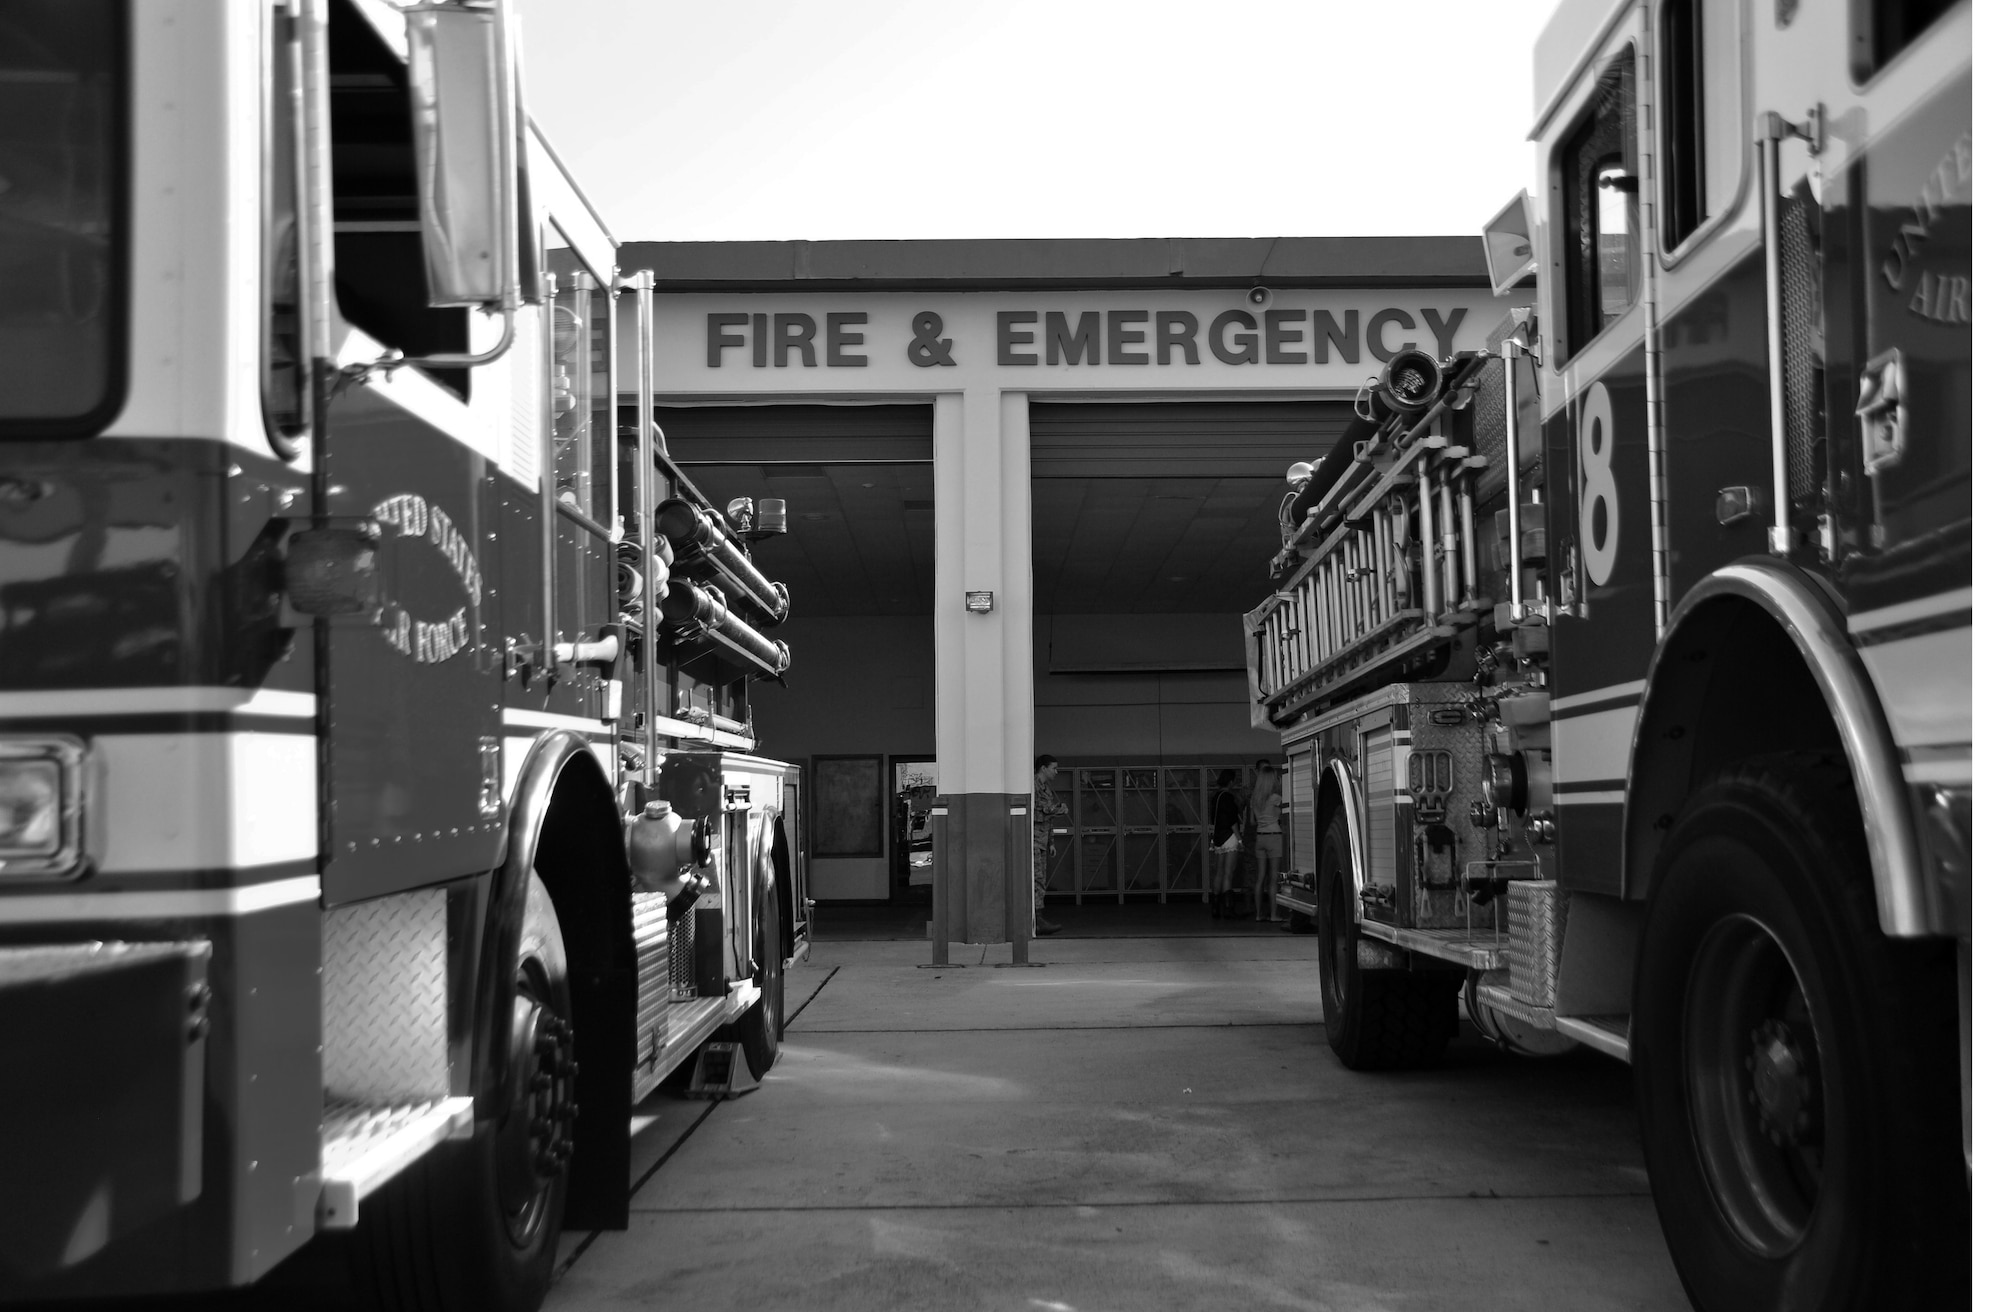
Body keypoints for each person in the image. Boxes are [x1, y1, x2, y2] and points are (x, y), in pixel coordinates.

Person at [1032, 754, 1068, 935]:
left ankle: (1038, 918)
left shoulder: (1045, 787)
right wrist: (1059, 808)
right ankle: (1037, 920)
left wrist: (1051, 841)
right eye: (1054, 768)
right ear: (1043, 768)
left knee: (1040, 880)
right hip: (1033, 841)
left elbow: (1048, 818)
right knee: (1037, 880)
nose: (1056, 771)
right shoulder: (1033, 786)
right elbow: (1042, 810)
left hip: (1042, 841)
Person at [1248, 761, 1284, 922]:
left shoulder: (1255, 799)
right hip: (1274, 836)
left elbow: (1253, 821)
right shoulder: (1276, 798)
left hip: (1260, 837)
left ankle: (1258, 914)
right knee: (1273, 877)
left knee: (1260, 877)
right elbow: (1281, 816)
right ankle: (1274, 914)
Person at [1208, 769, 1243, 920]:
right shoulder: (1228, 797)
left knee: (1219, 873)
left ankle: (1215, 908)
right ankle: (1229, 909)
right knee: (1229, 874)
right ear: (1230, 781)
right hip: (1229, 836)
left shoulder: (1215, 797)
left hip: (1218, 837)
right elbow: (1233, 819)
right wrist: (1240, 839)